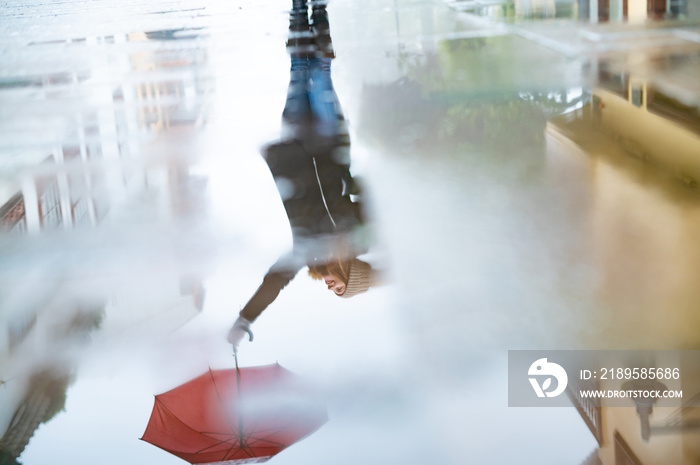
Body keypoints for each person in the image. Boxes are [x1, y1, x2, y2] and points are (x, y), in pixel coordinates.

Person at [228, 0, 375, 349]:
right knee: (320, 71)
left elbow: (274, 281)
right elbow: (372, 194)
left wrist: (244, 319)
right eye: (340, 289)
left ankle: (298, 9)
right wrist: (349, 181)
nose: (331, 288)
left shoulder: (306, 253)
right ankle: (319, 10)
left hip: (294, 144)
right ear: (352, 277)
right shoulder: (360, 239)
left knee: (298, 69)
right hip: (328, 139)